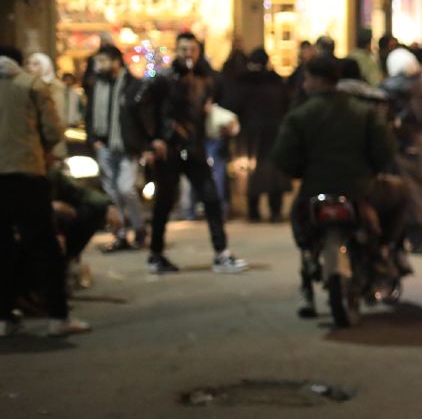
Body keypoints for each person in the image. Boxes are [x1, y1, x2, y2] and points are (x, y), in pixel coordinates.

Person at [271, 55, 397, 317]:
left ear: (315, 80)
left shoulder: (300, 116)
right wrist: (372, 171)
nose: (304, 85)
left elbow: (283, 157)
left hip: (313, 190)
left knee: (302, 231)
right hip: (360, 189)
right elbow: (385, 151)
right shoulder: (364, 112)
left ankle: (307, 283)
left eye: (306, 79)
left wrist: (302, 172)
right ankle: (384, 255)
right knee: (399, 196)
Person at [137, 32, 248, 275]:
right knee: (164, 202)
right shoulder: (164, 79)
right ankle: (156, 254)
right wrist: (155, 139)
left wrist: (215, 117)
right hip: (170, 149)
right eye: (184, 49)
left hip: (194, 147)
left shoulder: (206, 79)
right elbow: (144, 107)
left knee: (211, 199)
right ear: (176, 50)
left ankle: (221, 253)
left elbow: (207, 107)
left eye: (192, 50)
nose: (188, 54)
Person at [1, 46, 88, 336]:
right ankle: (58, 317)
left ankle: (4, 317)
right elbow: (52, 132)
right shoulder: (32, 85)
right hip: (27, 173)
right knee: (45, 245)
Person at [83, 44, 148, 251]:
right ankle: (120, 233)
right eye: (97, 61)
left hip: (127, 146)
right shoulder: (96, 86)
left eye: (102, 61)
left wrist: (144, 144)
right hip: (104, 146)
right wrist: (93, 138)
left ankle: (139, 228)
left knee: (126, 189)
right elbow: (90, 114)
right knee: (112, 192)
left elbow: (142, 117)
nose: (98, 66)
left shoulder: (133, 85)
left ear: (116, 62)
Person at [381, 48, 422, 251]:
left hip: (396, 146)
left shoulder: (386, 89)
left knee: (399, 193)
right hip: (419, 144)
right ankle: (419, 238)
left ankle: (399, 239)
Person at [228, 48, 291, 223]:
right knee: (273, 172)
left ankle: (253, 210)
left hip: (250, 133)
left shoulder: (244, 82)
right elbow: (286, 104)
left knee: (251, 171)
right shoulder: (276, 82)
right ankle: (275, 210)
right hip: (274, 131)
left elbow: (234, 105)